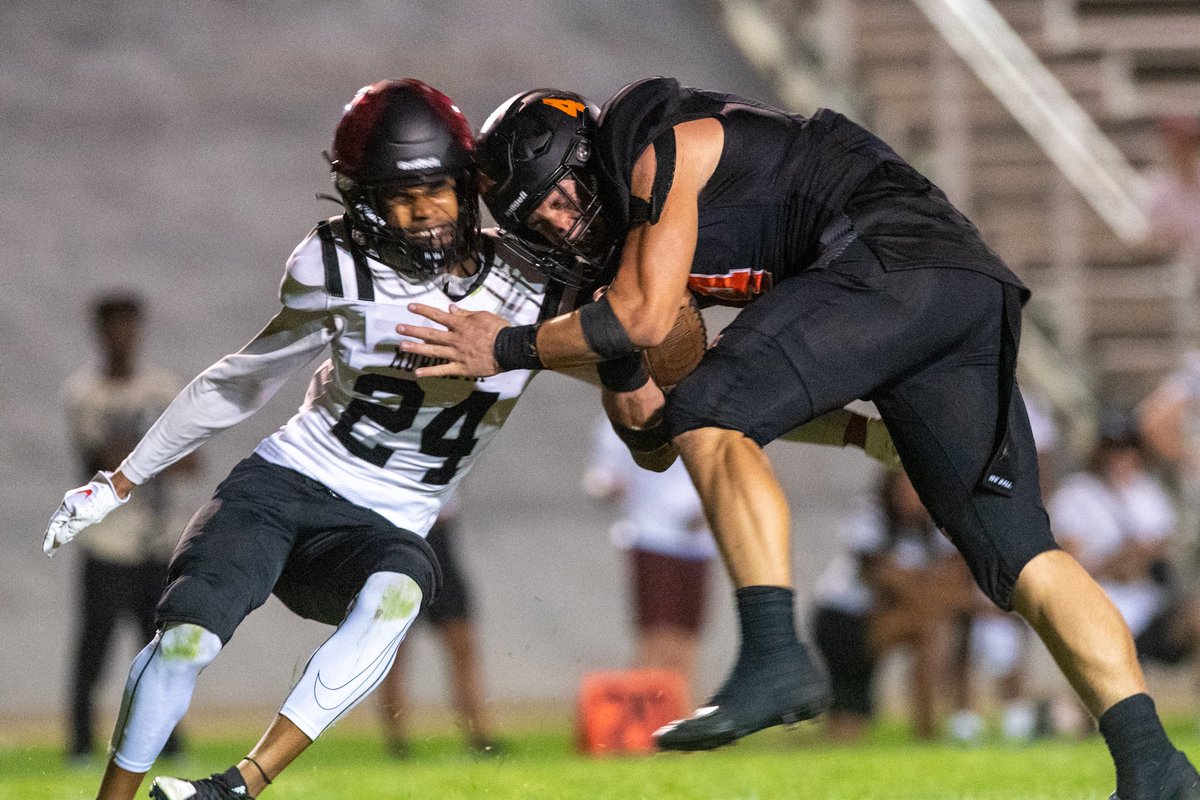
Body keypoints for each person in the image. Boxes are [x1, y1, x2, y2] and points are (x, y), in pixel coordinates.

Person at [395, 79, 1200, 798]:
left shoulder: (648, 137)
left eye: (560, 198)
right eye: (540, 220)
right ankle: (1154, 766)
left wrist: (503, 345)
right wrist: (848, 433)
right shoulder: (617, 258)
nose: (562, 224)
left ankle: (776, 656)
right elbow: (653, 429)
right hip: (955, 290)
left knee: (715, 405)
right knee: (1022, 556)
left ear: (582, 153)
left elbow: (648, 326)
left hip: (886, 251)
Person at [40, 79, 570, 800]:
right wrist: (121, 480)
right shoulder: (337, 266)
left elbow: (632, 370)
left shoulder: (540, 286)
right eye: (396, 197)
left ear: (469, 185)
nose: (419, 214)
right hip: (284, 485)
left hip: (385, 521)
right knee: (186, 640)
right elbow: (242, 378)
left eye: (435, 190)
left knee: (396, 594)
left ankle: (237, 788)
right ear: (364, 202)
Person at [62, 293, 199, 763]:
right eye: (112, 326)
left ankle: (168, 741)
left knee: (164, 651)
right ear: (99, 331)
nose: (121, 335)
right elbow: (101, 462)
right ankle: (80, 745)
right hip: (106, 541)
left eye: (128, 325)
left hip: (157, 541)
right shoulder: (85, 394)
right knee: (93, 652)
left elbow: (190, 459)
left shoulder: (161, 389)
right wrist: (152, 453)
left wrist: (140, 456)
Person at [811, 468, 974, 742]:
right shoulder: (869, 514)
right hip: (843, 620)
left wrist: (943, 592)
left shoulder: (933, 526)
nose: (913, 497)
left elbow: (953, 576)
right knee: (848, 717)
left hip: (879, 619)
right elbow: (884, 578)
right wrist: (968, 602)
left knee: (929, 628)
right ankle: (930, 730)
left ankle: (928, 729)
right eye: (905, 488)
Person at [1051, 419, 1200, 693]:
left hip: (1147, 607)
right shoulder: (1075, 495)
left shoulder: (1147, 492)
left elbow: (1162, 548)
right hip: (1100, 609)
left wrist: (1138, 559)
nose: (1119, 457)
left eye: (1126, 448)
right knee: (1088, 714)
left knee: (1196, 615)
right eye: (1112, 448)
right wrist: (1117, 561)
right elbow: (1068, 567)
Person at [583, 416, 717, 699]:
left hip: (698, 543)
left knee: (687, 638)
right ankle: (643, 718)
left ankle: (679, 714)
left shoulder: (704, 410)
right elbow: (601, 477)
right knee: (656, 638)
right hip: (653, 535)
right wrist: (616, 488)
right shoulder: (627, 413)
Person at [376, 499, 500, 757]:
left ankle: (479, 736)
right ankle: (397, 741)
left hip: (438, 541)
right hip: (400, 538)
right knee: (392, 650)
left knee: (463, 645)